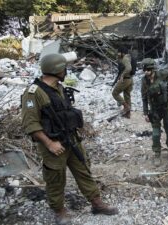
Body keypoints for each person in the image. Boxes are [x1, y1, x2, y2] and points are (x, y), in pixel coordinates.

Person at [21, 54, 118, 225]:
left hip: (71, 139)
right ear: (56, 70)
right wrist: (49, 143)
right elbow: (30, 124)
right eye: (64, 68)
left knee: (84, 170)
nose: (66, 71)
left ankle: (96, 202)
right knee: (56, 179)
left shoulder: (59, 88)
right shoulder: (34, 93)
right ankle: (59, 210)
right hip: (53, 143)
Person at [141, 58, 168, 167]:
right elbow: (144, 98)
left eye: (147, 70)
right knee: (155, 133)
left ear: (153, 69)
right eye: (144, 70)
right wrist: (146, 113)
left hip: (166, 107)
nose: (145, 72)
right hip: (154, 109)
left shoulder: (163, 75)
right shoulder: (144, 81)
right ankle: (157, 153)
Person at [112, 46, 133, 118]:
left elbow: (129, 68)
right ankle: (128, 114)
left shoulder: (125, 58)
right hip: (130, 79)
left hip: (125, 79)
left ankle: (126, 107)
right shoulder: (129, 57)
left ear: (122, 52)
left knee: (115, 93)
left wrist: (122, 75)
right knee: (127, 96)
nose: (118, 54)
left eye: (119, 52)